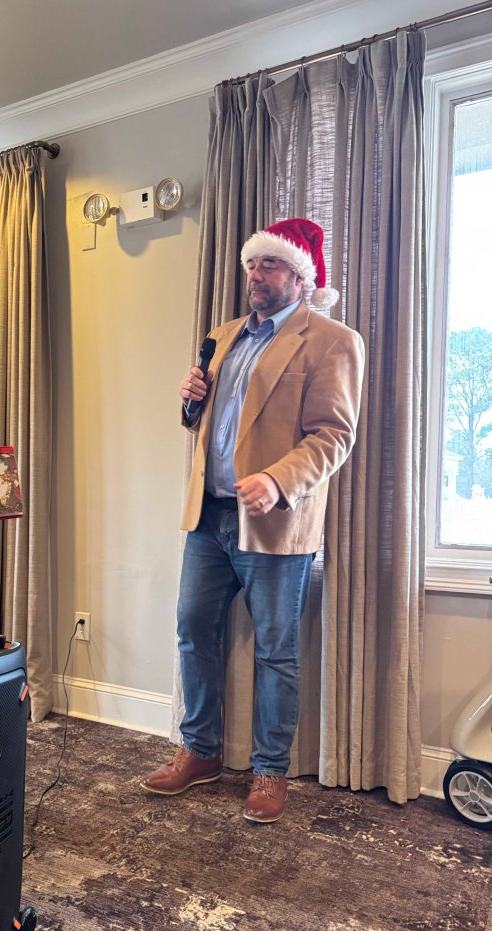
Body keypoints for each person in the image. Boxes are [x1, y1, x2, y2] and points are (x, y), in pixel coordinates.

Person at [141, 217, 365, 823]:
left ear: (300, 276)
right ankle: (201, 751)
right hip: (208, 517)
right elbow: (208, 425)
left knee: (275, 649)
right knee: (193, 631)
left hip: (274, 522)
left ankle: (270, 771)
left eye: (269, 264)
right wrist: (191, 402)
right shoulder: (223, 336)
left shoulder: (332, 341)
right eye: (251, 264)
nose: (255, 275)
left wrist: (278, 480)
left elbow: (334, 435)